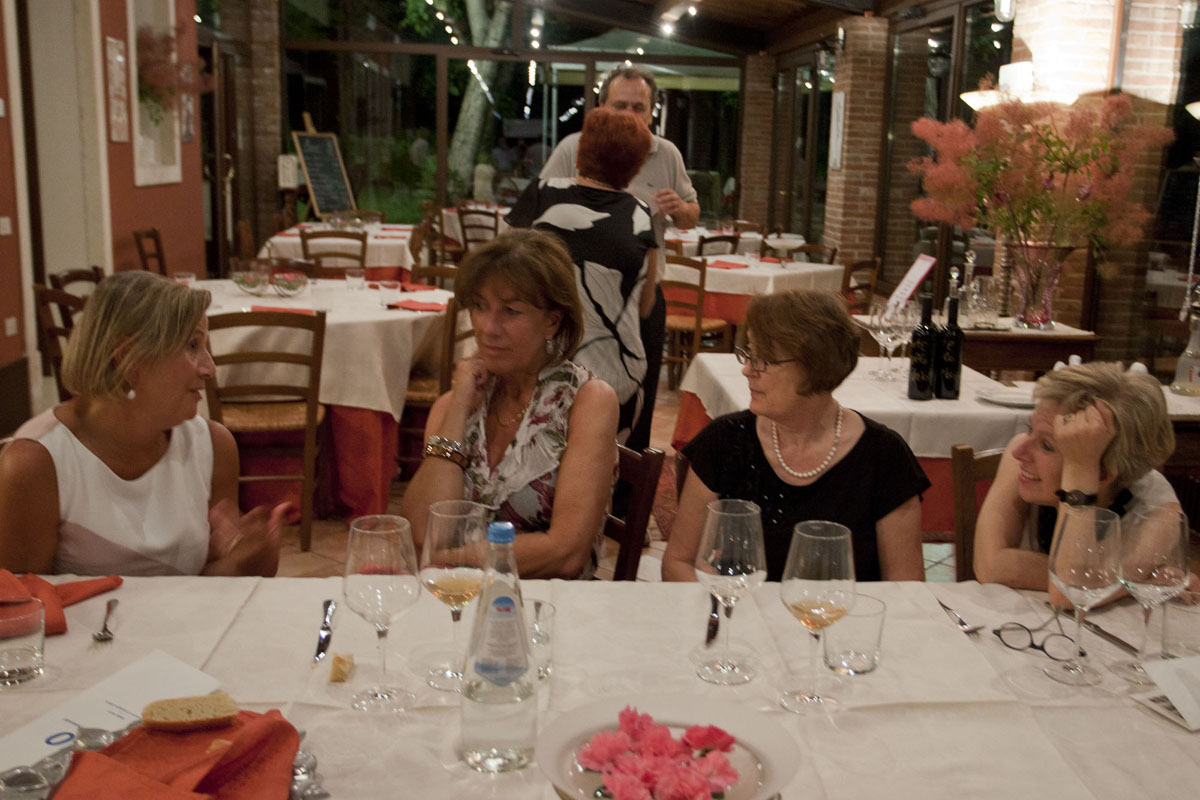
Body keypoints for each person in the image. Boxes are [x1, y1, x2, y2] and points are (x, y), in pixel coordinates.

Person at [0, 271, 288, 577]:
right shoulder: (37, 463)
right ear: (128, 359)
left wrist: (247, 559)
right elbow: (23, 601)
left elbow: (210, 585)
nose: (210, 368)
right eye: (193, 345)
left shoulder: (214, 447)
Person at [661, 289, 929, 582]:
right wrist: (724, 604)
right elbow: (677, 562)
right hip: (741, 610)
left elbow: (907, 589)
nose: (747, 370)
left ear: (815, 364)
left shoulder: (884, 456)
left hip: (845, 612)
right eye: (749, 353)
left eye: (763, 359)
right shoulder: (726, 440)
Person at [400, 230, 619, 580]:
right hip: (459, 594)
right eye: (480, 306)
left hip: (546, 601)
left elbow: (566, 552)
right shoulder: (456, 402)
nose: (488, 328)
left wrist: (448, 559)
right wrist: (458, 406)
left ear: (552, 321)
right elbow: (424, 530)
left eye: (511, 311)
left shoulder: (588, 402)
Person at [540, 65, 700, 454]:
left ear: (652, 112)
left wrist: (680, 209)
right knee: (564, 396)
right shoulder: (574, 148)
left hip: (642, 296)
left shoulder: (666, 153)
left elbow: (692, 214)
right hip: (575, 298)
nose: (629, 116)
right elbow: (540, 212)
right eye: (619, 106)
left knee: (635, 400)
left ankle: (628, 479)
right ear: (600, 109)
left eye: (638, 107)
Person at [973, 362, 1196, 598]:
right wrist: (1127, 582)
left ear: (1102, 475)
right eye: (1030, 429)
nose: (1020, 451)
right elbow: (992, 567)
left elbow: (1070, 593)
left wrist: (1080, 474)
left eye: (1047, 445)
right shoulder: (1020, 459)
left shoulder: (1159, 515)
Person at [506, 107, 657, 440]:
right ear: (636, 165)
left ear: (581, 152)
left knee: (525, 458)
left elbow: (500, 274)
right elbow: (646, 307)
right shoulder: (642, 214)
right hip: (618, 377)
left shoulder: (540, 194)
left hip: (538, 363)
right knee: (600, 465)